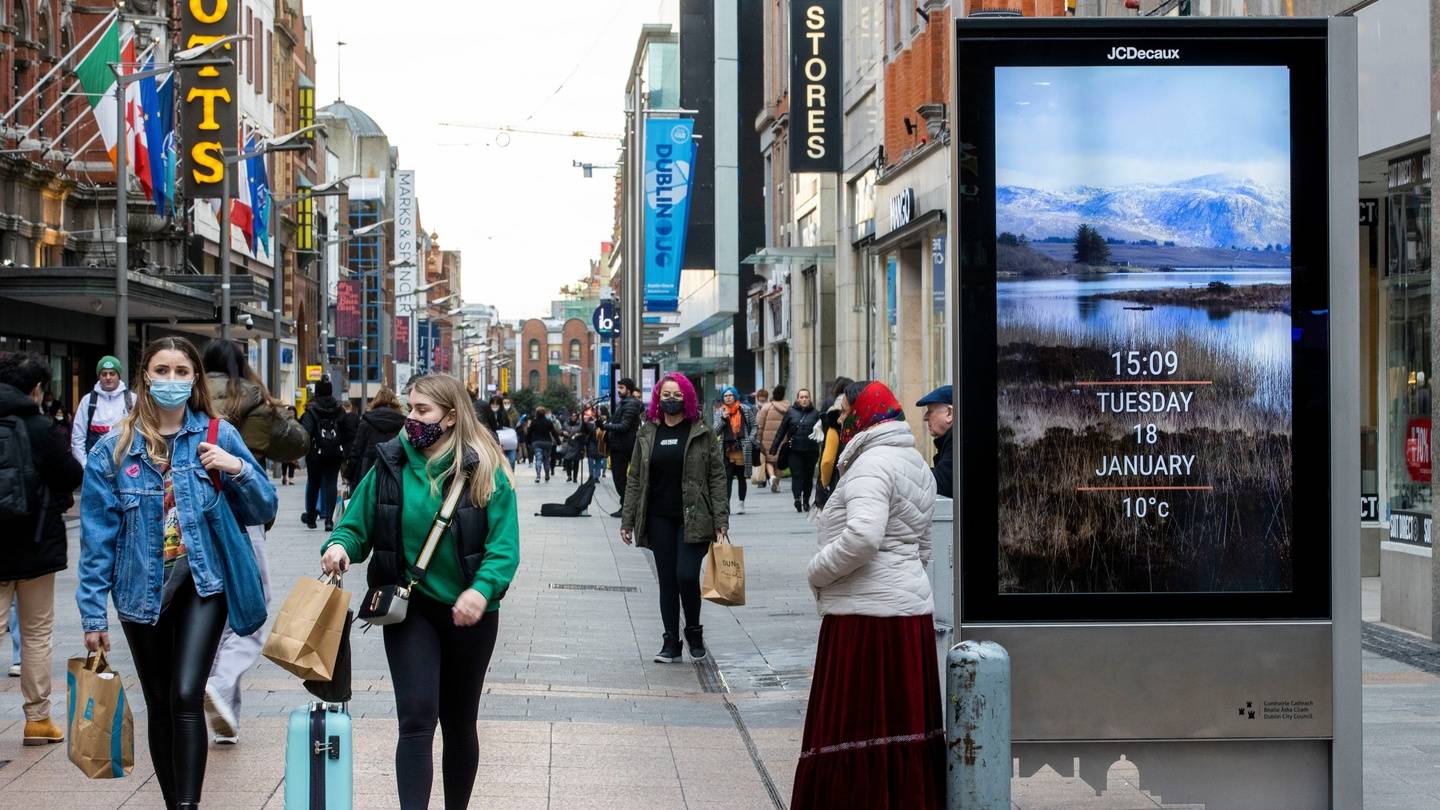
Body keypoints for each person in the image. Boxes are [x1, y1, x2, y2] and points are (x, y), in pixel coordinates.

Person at [77, 336, 276, 810]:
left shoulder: (218, 434)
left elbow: (263, 506)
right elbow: (96, 539)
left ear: (195, 379)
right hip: (138, 591)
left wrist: (238, 470)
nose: (171, 381)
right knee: (160, 703)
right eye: (161, 371)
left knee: (186, 693)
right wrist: (92, 617)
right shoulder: (114, 449)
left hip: (204, 584)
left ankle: (187, 805)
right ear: (145, 376)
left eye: (181, 372)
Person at [320, 373, 519, 810]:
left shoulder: (485, 468)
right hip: (410, 610)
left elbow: (504, 548)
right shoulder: (390, 462)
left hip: (471, 613)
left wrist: (481, 591)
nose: (411, 419)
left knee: (459, 722)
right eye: (410, 408)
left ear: (450, 417)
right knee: (416, 718)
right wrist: (338, 546)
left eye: (422, 410)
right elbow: (357, 524)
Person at [791, 380, 943, 809]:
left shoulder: (871, 464)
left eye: (846, 412)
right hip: (909, 614)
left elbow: (862, 537)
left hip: (865, 619)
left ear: (862, 416)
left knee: (856, 726)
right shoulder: (914, 461)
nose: (842, 420)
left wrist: (817, 572)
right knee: (901, 727)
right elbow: (923, 547)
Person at [201, 338, 308, 745]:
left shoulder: (188, 398)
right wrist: (280, 412)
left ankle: (227, 717)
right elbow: (296, 445)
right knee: (251, 612)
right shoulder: (253, 399)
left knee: (212, 613)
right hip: (243, 516)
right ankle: (221, 681)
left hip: (191, 519)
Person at [0, 354, 84, 745]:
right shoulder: (39, 427)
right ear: (35, 389)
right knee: (35, 632)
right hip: (34, 545)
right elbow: (71, 473)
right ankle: (37, 720)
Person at [619, 373, 728, 663]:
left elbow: (717, 476)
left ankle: (693, 629)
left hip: (695, 516)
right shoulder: (648, 432)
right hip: (658, 518)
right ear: (657, 398)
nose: (671, 400)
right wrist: (627, 519)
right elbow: (635, 478)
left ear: (688, 398)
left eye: (677, 395)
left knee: (687, 575)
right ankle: (671, 641)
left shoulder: (701, 431)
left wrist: (721, 519)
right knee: (667, 580)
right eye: (666, 395)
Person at [300, 377, 351, 531]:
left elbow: (305, 432)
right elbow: (347, 430)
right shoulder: (339, 409)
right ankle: (329, 520)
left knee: (313, 484)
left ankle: (311, 518)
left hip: (315, 453)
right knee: (331, 484)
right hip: (334, 452)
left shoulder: (311, 410)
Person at [70, 354, 137, 467]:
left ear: (118, 375)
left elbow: (141, 433)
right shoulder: (88, 400)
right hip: (95, 466)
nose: (108, 377)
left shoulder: (132, 399)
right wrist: (85, 465)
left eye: (112, 373)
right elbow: (78, 437)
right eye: (104, 374)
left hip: (126, 465)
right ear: (99, 376)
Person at [771, 388, 822, 512]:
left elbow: (822, 433)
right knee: (797, 475)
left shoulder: (816, 414)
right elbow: (781, 430)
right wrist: (774, 447)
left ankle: (806, 501)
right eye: (802, 397)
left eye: (806, 397)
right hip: (794, 450)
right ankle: (797, 498)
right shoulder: (790, 412)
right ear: (797, 399)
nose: (804, 399)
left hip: (811, 450)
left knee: (808, 477)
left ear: (810, 399)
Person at [602, 378, 645, 516]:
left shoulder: (631, 404)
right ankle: (626, 507)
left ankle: (628, 508)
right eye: (618, 387)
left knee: (620, 478)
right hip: (619, 446)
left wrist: (605, 426)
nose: (619, 390)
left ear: (629, 390)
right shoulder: (624, 403)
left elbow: (624, 426)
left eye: (621, 388)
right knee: (619, 478)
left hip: (623, 446)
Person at [712, 386, 757, 515]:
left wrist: (750, 439)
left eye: (731, 395)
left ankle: (741, 503)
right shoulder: (720, 412)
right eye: (725, 396)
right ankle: (727, 506)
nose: (728, 397)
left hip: (742, 448)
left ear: (735, 396)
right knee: (727, 478)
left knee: (742, 477)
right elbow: (714, 431)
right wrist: (723, 419)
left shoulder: (745, 409)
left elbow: (754, 426)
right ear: (722, 398)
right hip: (726, 449)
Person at [814, 377, 855, 510]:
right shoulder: (862, 420)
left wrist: (824, 482)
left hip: (838, 480)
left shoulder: (833, 422)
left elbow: (827, 460)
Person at [916, 385, 954, 499]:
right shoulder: (952, 439)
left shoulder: (958, 442)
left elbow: (941, 483)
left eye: (930, 411)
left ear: (949, 413)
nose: (925, 417)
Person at [756, 384, 791, 492]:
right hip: (782, 439)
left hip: (767, 440)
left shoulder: (766, 407)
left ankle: (771, 477)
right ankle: (777, 485)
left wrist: (758, 439)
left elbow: (759, 425)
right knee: (779, 462)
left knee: (769, 461)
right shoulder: (788, 407)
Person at [527, 405, 558, 482]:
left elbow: (529, 433)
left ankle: (538, 476)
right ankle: (547, 474)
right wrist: (558, 441)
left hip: (536, 442)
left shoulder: (534, 422)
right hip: (547, 443)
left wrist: (528, 442)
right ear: (544, 413)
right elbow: (554, 432)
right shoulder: (549, 422)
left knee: (538, 459)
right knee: (546, 459)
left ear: (536, 413)